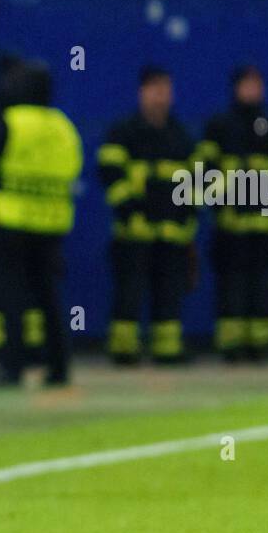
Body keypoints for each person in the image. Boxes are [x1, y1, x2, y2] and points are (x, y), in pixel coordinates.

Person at [0, 61, 82, 386]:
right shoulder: (63, 127)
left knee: (10, 293)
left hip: (11, 221)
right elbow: (73, 170)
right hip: (52, 223)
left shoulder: (12, 122)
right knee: (48, 295)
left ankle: (12, 367)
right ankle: (59, 366)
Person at [196, 65, 268, 362]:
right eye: (247, 84)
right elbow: (204, 171)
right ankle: (231, 345)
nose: (253, 90)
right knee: (232, 285)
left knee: (264, 286)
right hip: (231, 225)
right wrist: (217, 204)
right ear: (236, 88)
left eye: (257, 84)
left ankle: (261, 345)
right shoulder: (220, 126)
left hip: (267, 226)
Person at [97, 66, 197, 365]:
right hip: (134, 232)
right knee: (129, 292)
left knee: (169, 293)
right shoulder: (124, 132)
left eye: (165, 89)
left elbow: (195, 181)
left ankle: (167, 351)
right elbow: (111, 175)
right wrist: (129, 212)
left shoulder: (181, 136)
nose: (161, 96)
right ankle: (123, 350)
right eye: (155, 89)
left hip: (171, 233)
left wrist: (185, 217)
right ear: (142, 92)